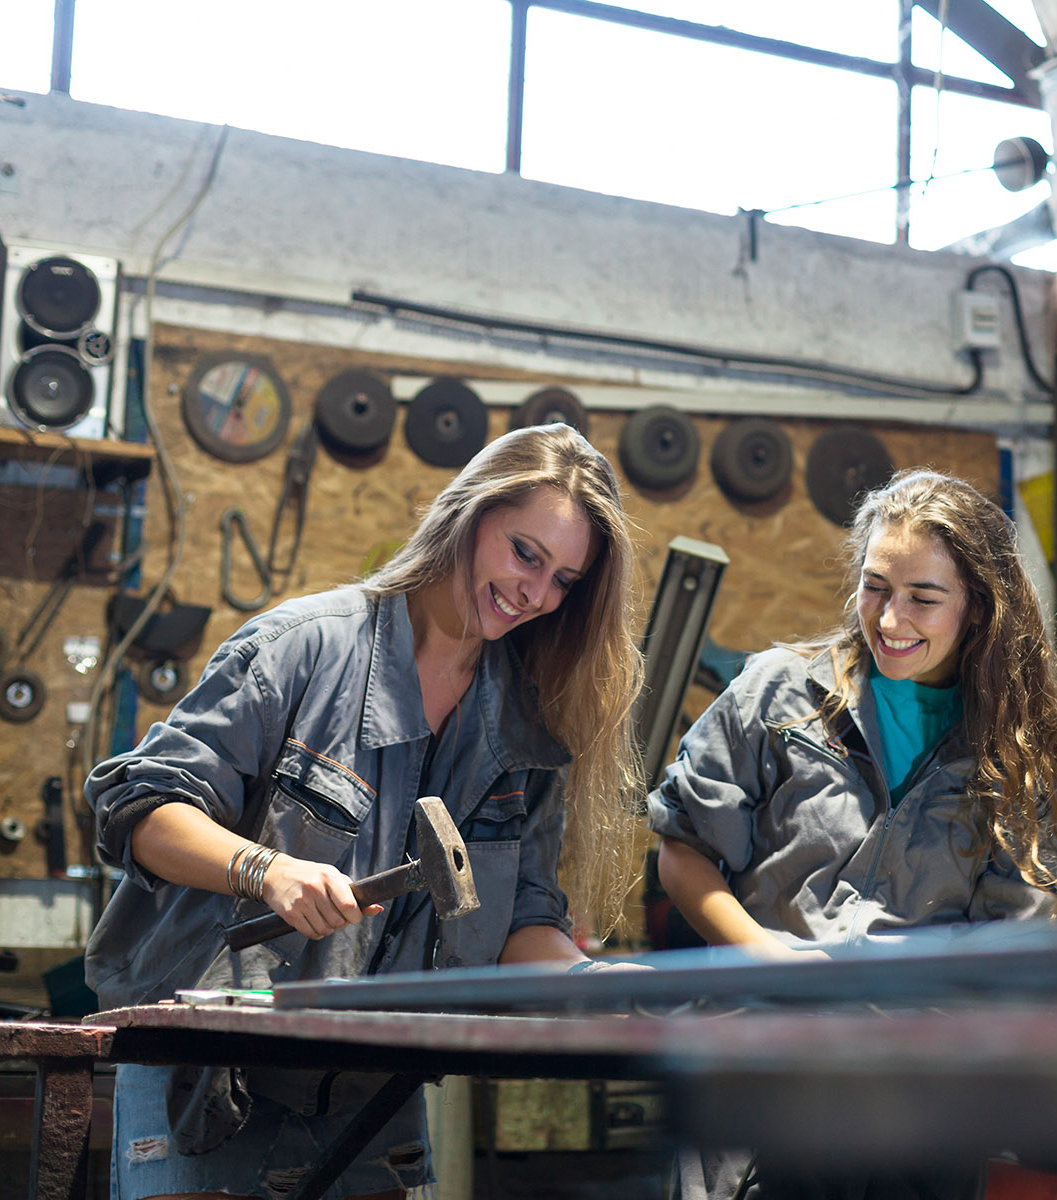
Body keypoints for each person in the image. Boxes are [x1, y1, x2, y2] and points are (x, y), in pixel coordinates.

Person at [85, 422, 643, 1200]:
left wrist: (596, 987)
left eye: (564, 580)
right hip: (207, 1076)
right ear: (470, 516)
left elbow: (523, 920)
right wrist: (264, 870)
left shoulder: (526, 729)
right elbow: (137, 806)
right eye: (525, 553)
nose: (535, 594)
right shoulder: (304, 650)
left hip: (373, 1096)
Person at [648, 469, 1057, 1199]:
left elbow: (1020, 949)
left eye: (923, 598)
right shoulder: (777, 693)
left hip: (918, 1110)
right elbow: (683, 850)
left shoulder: (1013, 754)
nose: (891, 620)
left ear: (979, 609)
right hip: (759, 1079)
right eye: (876, 587)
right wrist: (768, 959)